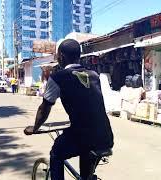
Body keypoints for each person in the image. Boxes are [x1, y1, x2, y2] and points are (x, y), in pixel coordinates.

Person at [24, 39, 114, 180]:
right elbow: (89, 106)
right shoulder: (94, 75)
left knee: (56, 152)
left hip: (83, 137)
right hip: (105, 136)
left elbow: (44, 109)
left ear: (61, 56)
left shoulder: (58, 78)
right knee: (86, 176)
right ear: (79, 56)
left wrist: (35, 128)